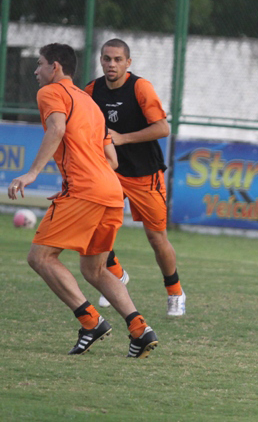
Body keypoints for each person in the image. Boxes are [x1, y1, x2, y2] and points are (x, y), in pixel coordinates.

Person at [7, 43, 158, 357]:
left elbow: (57, 128)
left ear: (56, 67)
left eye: (40, 64)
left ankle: (91, 321)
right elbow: (112, 159)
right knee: (96, 270)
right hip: (111, 192)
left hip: (84, 190)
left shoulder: (51, 92)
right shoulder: (90, 103)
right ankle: (140, 330)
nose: (36, 71)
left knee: (40, 257)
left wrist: (33, 172)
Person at [85, 38, 185, 317]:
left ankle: (175, 291)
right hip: (110, 173)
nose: (111, 64)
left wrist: (122, 139)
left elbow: (162, 128)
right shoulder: (92, 90)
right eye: (106, 58)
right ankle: (116, 276)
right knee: (94, 227)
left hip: (145, 174)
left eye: (117, 59)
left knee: (156, 238)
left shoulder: (140, 87)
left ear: (128, 63)